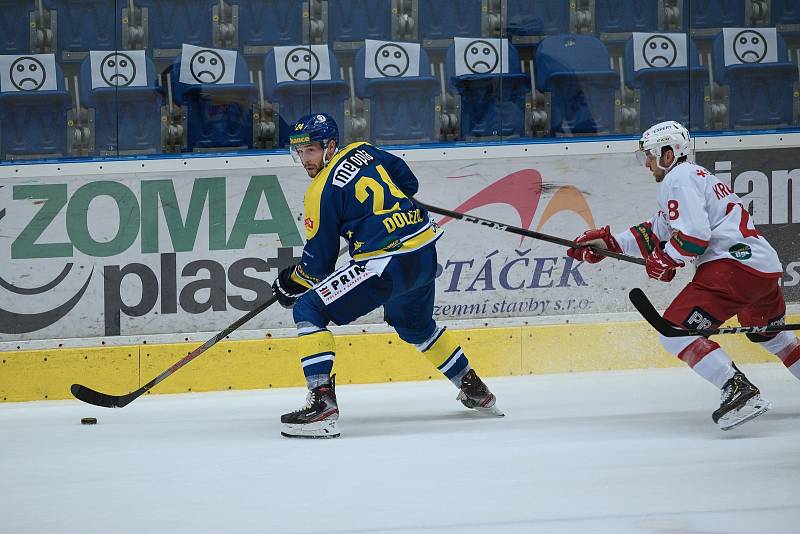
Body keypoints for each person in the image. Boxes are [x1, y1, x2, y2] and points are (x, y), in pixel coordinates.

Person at [271, 112, 503, 438]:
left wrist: (289, 283)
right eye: (299, 152)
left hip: (385, 264)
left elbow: (317, 267)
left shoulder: (319, 193)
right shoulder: (365, 150)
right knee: (416, 327)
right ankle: (474, 387)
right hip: (423, 252)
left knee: (308, 309)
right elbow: (409, 184)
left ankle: (322, 403)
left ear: (330, 146)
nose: (304, 159)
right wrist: (380, 216)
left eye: (310, 150)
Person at [567, 120, 800, 431]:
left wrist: (666, 259)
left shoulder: (678, 178)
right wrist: (609, 244)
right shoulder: (693, 177)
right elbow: (656, 231)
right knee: (773, 335)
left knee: (674, 331)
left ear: (667, 154)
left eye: (649, 156)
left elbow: (693, 237)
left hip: (731, 268)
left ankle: (738, 389)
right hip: (760, 268)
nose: (647, 163)